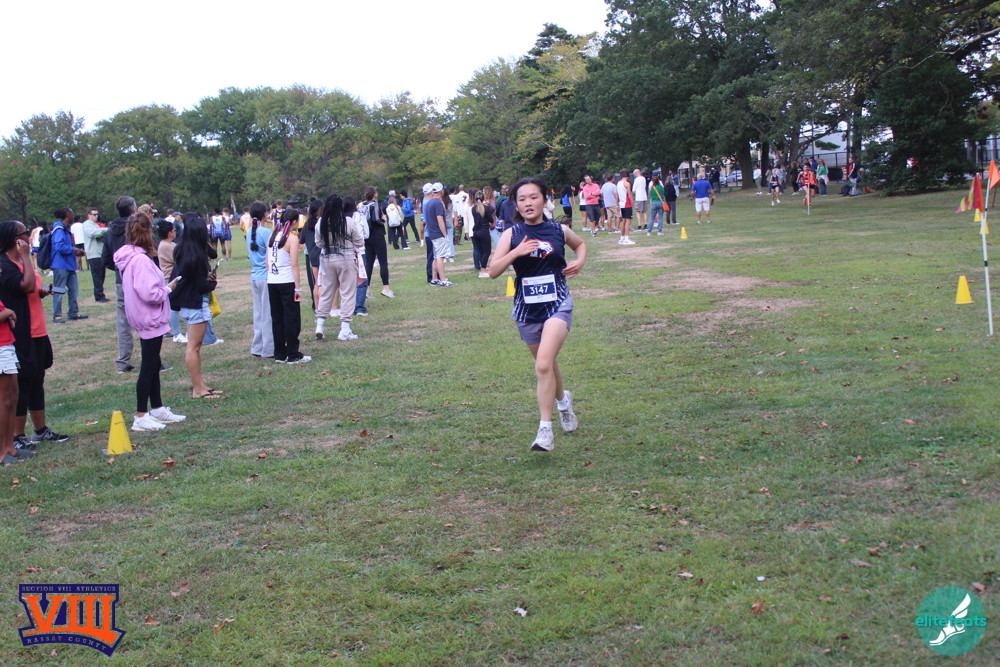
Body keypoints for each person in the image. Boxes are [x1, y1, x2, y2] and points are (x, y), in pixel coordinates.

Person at [488, 177, 586, 452]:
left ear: (544, 199)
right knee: (548, 363)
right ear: (516, 204)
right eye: (522, 199)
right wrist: (516, 252)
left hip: (558, 304)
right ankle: (563, 402)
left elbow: (580, 244)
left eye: (533, 197)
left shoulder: (559, 230)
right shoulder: (511, 235)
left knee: (543, 364)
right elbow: (493, 271)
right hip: (526, 309)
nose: (528, 203)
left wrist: (579, 261)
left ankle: (545, 431)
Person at [114, 212, 185, 431]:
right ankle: (141, 415)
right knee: (148, 366)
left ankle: (157, 407)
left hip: (143, 316)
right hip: (149, 317)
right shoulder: (141, 261)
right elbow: (150, 293)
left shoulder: (132, 258)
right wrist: (168, 288)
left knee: (153, 362)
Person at [0, 221, 67, 454]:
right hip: (20, 332)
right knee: (23, 382)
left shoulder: (20, 261)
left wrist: (41, 291)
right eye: (25, 233)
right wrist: (27, 256)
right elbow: (26, 285)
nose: (29, 236)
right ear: (15, 239)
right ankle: (17, 435)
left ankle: (40, 429)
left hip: (37, 328)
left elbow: (31, 288)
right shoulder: (4, 265)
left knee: (37, 378)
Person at [170, 214, 223, 396]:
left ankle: (200, 385)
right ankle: (198, 389)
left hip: (189, 302)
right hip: (195, 303)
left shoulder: (182, 250)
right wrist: (212, 283)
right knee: (193, 347)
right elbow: (201, 286)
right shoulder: (196, 256)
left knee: (195, 347)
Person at [314, 194, 364, 341]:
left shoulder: (321, 223)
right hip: (346, 258)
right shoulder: (347, 221)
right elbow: (359, 241)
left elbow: (319, 243)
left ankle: (320, 325)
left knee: (326, 292)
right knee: (347, 293)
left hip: (327, 258)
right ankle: (345, 329)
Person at [267, 209, 310, 364]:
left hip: (272, 281)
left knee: (277, 319)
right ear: (294, 222)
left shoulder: (272, 236)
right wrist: (297, 288)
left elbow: (267, 262)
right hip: (286, 282)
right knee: (291, 318)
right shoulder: (292, 238)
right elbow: (294, 264)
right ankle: (292, 354)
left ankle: (279, 353)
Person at [103, 196, 138, 372]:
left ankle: (123, 361)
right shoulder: (136, 228)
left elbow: (106, 259)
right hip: (138, 279)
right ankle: (154, 359)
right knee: (147, 319)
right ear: (133, 210)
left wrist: (119, 269)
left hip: (121, 280)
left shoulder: (110, 232)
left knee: (123, 322)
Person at [50, 207, 88, 323]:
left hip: (70, 265)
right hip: (60, 265)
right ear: (67, 214)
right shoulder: (59, 229)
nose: (73, 215)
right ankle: (57, 316)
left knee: (74, 290)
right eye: (72, 213)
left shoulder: (66, 229)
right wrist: (73, 250)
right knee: (59, 290)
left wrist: (76, 251)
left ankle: (73, 313)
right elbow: (59, 247)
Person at [360, 186, 393, 301]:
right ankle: (386, 288)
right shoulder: (374, 205)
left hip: (367, 237)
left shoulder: (363, 206)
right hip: (377, 236)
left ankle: (367, 289)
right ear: (374, 194)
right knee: (383, 262)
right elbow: (375, 219)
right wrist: (383, 220)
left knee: (369, 263)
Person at [156, 220, 186, 344]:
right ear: (169, 233)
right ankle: (177, 334)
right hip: (170, 278)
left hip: (174, 277)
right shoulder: (166, 246)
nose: (175, 232)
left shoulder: (169, 244)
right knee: (174, 308)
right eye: (174, 230)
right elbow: (179, 259)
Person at [0, 294, 19, 464]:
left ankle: (9, 447)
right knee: (3, 401)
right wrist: (8, 312)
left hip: (6, 344)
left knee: (13, 396)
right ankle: (0, 452)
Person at [424, 182, 453, 286]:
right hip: (438, 233)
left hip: (432, 233)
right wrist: (445, 234)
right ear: (441, 191)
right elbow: (440, 219)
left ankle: (434, 278)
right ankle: (443, 280)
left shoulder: (430, 202)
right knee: (441, 257)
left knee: (436, 257)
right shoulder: (437, 203)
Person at [82, 207, 108, 303]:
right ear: (89, 215)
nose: (96, 216)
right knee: (97, 276)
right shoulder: (87, 224)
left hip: (99, 253)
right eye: (94, 214)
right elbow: (92, 233)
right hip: (93, 254)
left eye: (97, 214)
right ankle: (99, 296)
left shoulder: (95, 225)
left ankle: (100, 294)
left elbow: (99, 234)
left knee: (102, 275)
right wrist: (105, 230)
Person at [301, 199, 322, 311]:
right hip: (322, 254)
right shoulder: (322, 223)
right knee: (323, 282)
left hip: (310, 255)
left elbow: (302, 240)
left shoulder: (307, 224)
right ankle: (324, 305)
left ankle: (316, 305)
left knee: (314, 282)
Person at [469, 189, 495, 278]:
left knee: (480, 251)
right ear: (483, 198)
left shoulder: (473, 208)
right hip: (484, 231)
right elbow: (491, 220)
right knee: (487, 251)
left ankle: (482, 267)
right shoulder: (486, 208)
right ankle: (483, 270)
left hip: (476, 232)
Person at [617, 170, 635, 244]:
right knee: (628, 221)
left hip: (621, 204)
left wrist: (617, 204)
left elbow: (617, 194)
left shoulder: (618, 183)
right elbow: (630, 195)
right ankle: (626, 238)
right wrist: (634, 203)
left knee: (623, 221)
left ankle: (622, 238)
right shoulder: (627, 183)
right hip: (627, 204)